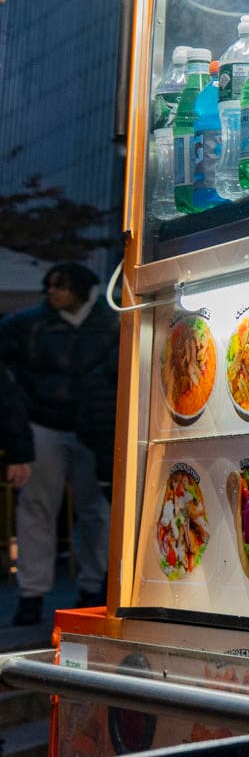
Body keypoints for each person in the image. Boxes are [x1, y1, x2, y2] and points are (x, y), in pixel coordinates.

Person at [0, 263, 118, 623]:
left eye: (61, 286)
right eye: (50, 286)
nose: (53, 292)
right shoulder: (27, 324)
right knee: (37, 507)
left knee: (95, 510)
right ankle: (32, 593)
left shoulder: (111, 321)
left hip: (93, 427)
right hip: (44, 422)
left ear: (80, 289)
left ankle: (92, 586)